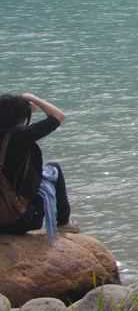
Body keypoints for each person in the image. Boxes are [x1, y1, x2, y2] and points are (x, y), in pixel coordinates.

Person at [0, 92, 71, 240]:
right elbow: (58, 116)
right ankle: (63, 223)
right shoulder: (20, 135)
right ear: (21, 116)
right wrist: (32, 98)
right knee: (54, 168)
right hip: (18, 221)